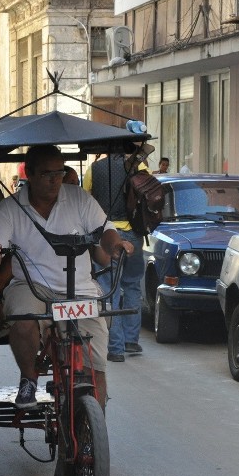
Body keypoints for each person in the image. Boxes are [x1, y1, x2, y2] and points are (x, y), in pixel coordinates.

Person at [0, 145, 134, 409]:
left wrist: (116, 245)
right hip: (32, 287)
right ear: (29, 173)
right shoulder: (9, 208)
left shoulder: (79, 198)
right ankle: (29, 378)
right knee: (23, 319)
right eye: (46, 174)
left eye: (59, 173)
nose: (55, 180)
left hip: (81, 289)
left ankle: (91, 434)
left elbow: (105, 230)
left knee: (96, 367)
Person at [83, 147, 151, 363]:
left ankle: (115, 349)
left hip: (107, 234)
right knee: (131, 286)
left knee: (109, 290)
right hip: (133, 234)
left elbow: (84, 200)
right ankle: (132, 340)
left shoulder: (94, 169)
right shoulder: (138, 166)